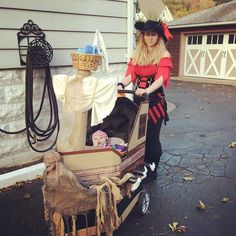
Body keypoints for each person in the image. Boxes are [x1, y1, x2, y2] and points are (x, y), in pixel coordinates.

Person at [117, 20, 173, 181]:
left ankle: (152, 166)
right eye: (147, 34)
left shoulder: (164, 55)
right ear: (143, 36)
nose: (150, 38)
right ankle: (140, 164)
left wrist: (146, 91)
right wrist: (121, 84)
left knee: (151, 137)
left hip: (155, 102)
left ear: (159, 36)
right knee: (138, 137)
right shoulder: (138, 54)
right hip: (138, 102)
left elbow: (161, 78)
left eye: (153, 34)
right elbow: (131, 75)